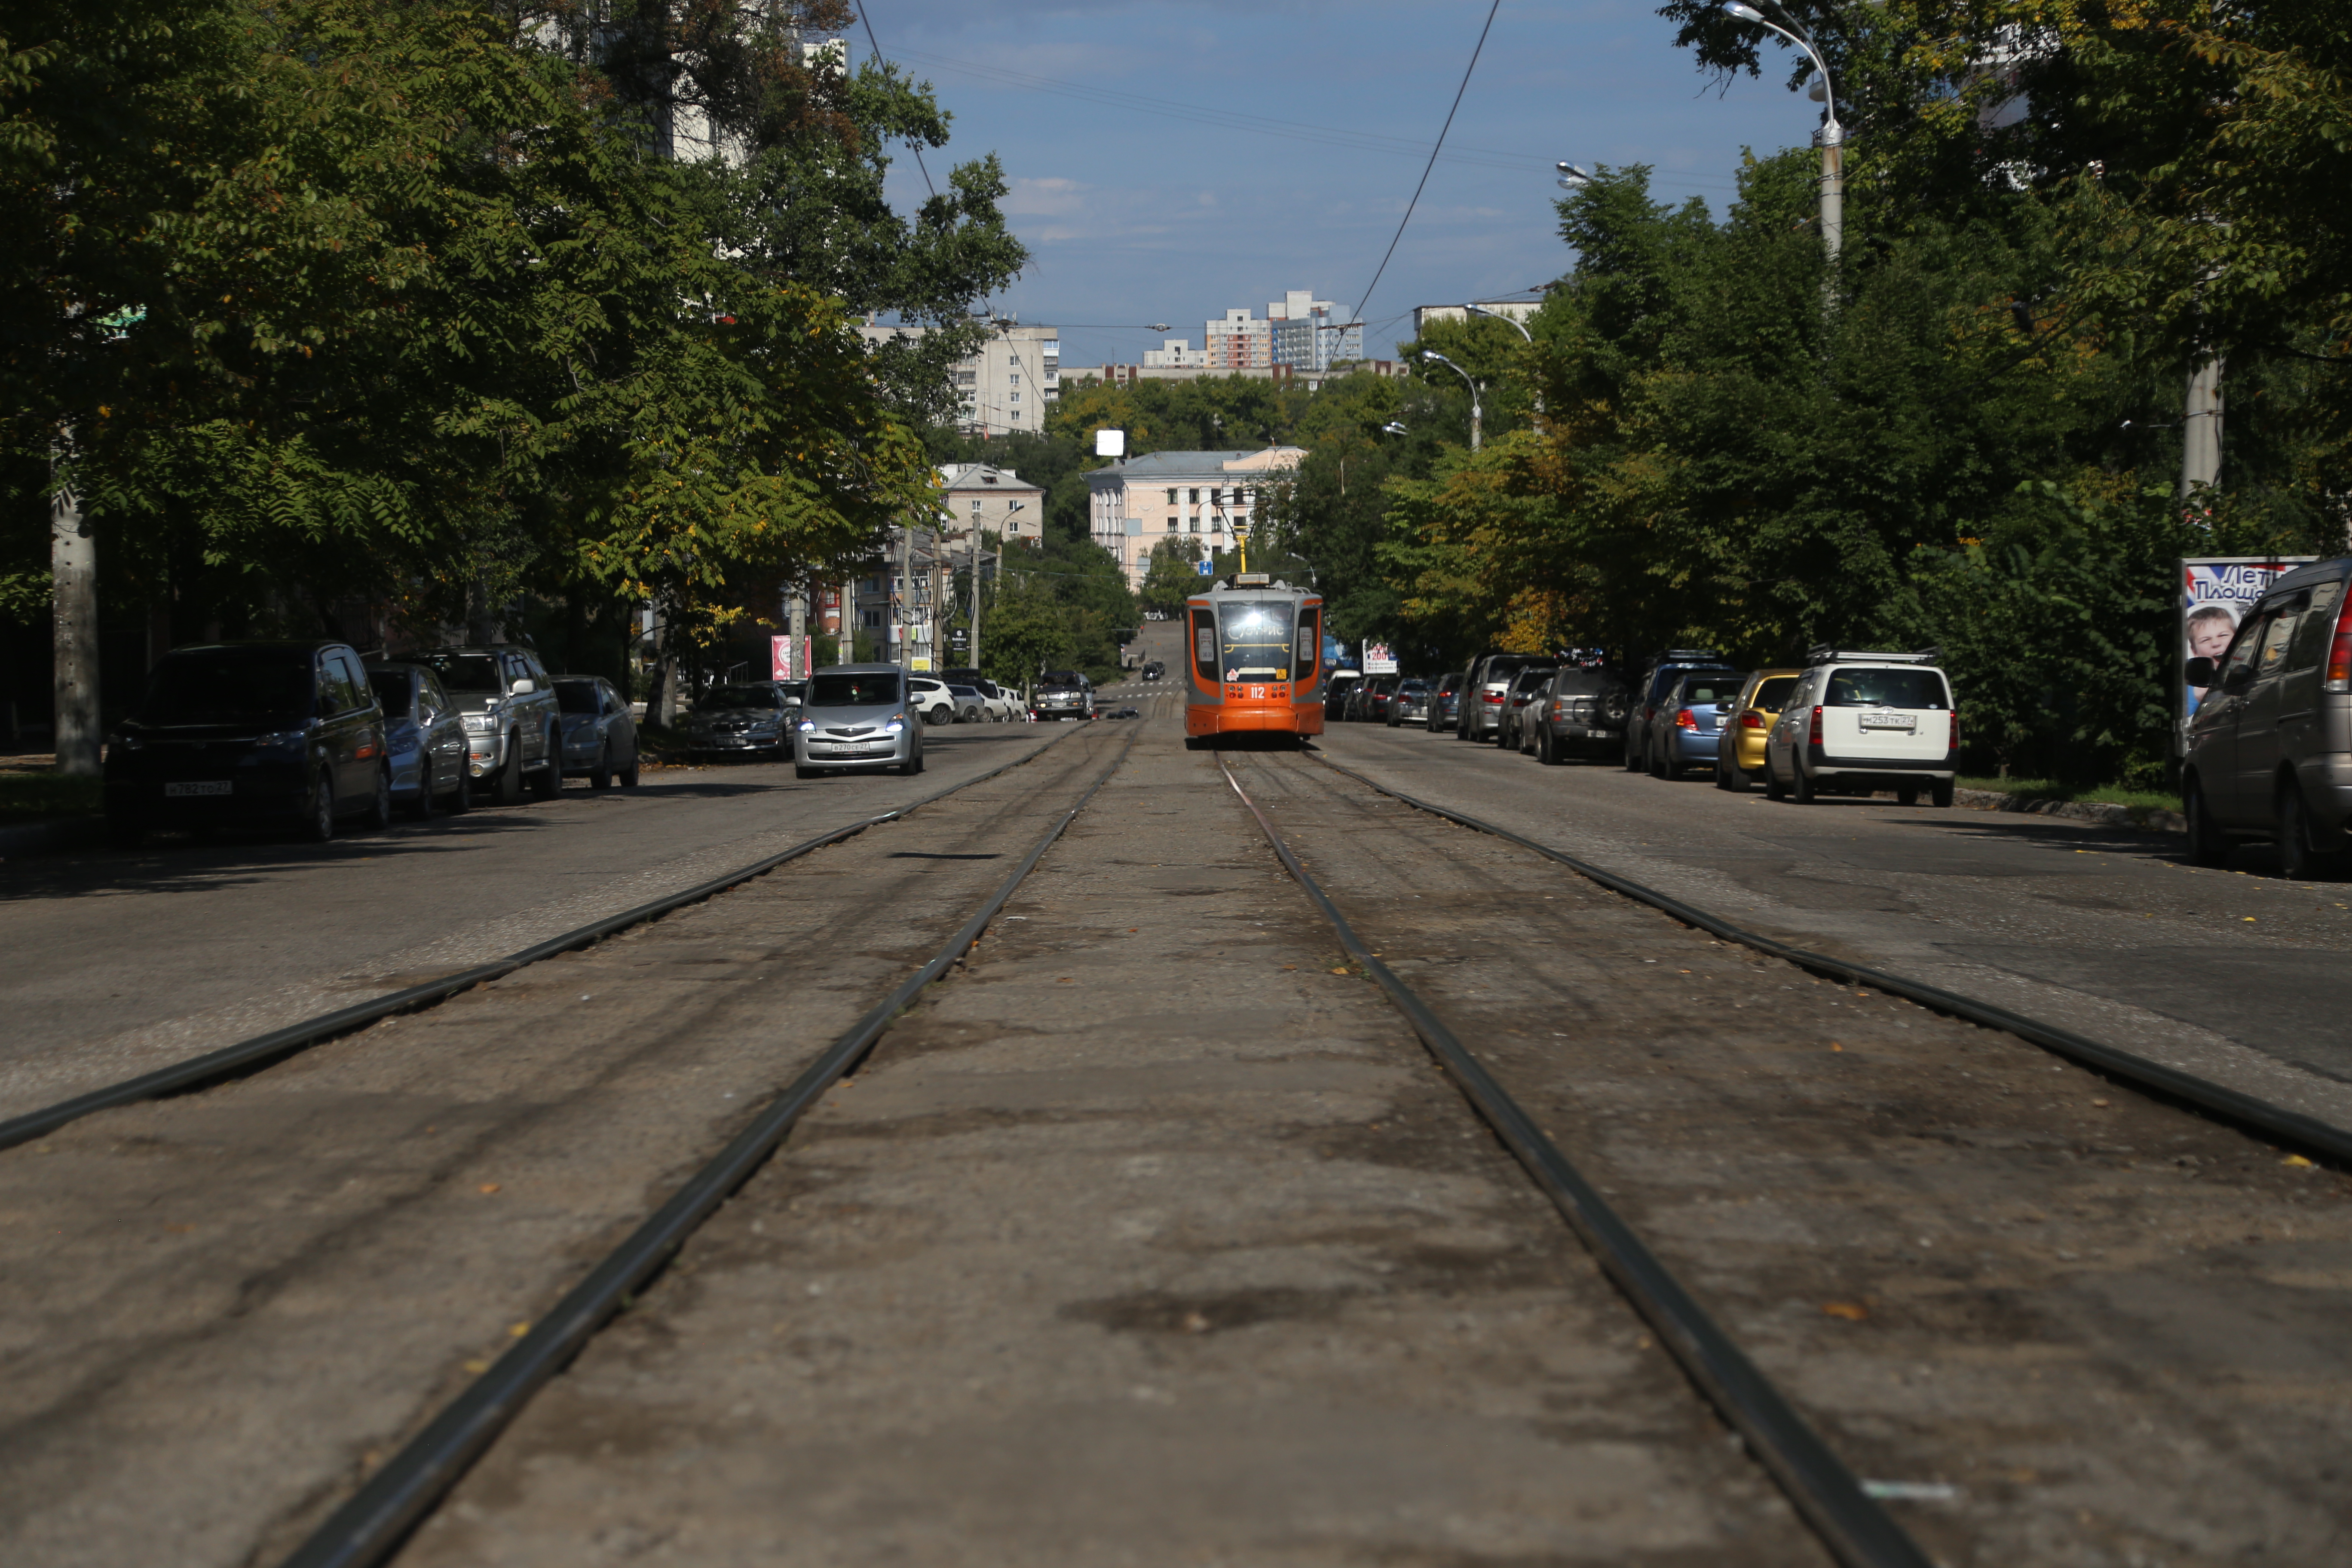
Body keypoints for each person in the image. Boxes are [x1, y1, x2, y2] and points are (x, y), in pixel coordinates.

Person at [2184, 603, 2238, 714]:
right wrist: (2201, 699)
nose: (2216, 643)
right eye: (2206, 640)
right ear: (2194, 651)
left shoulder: (2256, 670)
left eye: (2223, 636)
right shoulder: (2188, 690)